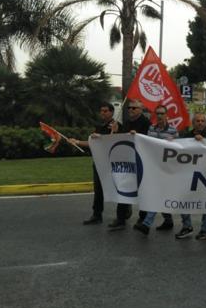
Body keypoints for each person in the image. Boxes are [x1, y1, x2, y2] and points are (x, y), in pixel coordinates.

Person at [69, 102, 122, 225]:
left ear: (112, 112)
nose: (102, 113)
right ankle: (97, 215)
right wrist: (76, 142)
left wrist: (111, 133)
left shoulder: (116, 126)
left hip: (113, 164)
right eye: (101, 111)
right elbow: (93, 143)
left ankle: (122, 215)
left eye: (105, 111)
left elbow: (116, 142)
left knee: (119, 189)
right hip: (99, 163)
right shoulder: (99, 126)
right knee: (98, 190)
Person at [133, 105, 178, 235]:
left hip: (166, 168)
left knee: (157, 194)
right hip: (153, 167)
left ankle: (147, 224)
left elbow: (180, 149)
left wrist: (174, 141)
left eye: (162, 113)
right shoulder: (151, 129)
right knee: (160, 194)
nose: (159, 116)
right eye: (157, 113)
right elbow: (146, 144)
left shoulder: (173, 131)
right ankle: (168, 220)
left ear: (166, 115)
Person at [108, 99, 151, 231]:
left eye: (134, 108)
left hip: (141, 161)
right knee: (123, 187)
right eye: (129, 108)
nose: (130, 110)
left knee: (143, 190)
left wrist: (138, 136)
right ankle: (121, 218)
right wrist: (115, 131)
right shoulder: (126, 123)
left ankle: (142, 218)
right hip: (127, 160)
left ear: (141, 109)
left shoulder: (147, 123)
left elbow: (150, 140)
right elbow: (120, 139)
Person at [176, 112, 206, 240]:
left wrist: (204, 142)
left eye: (202, 121)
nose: (200, 123)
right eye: (197, 121)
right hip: (189, 174)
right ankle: (187, 226)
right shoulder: (186, 136)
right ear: (193, 123)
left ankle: (205, 230)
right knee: (183, 200)